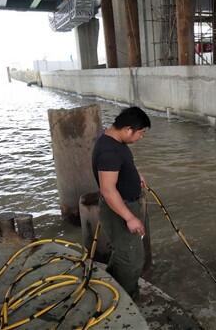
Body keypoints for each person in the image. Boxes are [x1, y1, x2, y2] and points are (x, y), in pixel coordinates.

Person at [92, 106, 151, 300]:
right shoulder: (109, 151)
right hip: (120, 208)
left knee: (124, 253)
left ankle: (110, 286)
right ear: (128, 129)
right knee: (131, 259)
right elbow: (108, 191)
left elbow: (121, 164)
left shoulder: (114, 140)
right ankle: (122, 300)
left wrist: (135, 174)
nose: (141, 137)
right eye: (140, 133)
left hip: (126, 204)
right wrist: (129, 217)